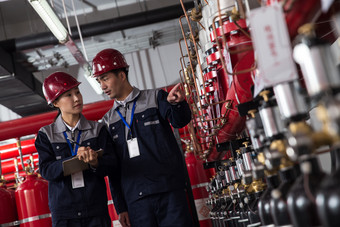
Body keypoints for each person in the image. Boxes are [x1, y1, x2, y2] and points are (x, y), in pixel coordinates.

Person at [91, 48, 194, 227]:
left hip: (169, 191)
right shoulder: (108, 120)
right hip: (136, 201)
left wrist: (178, 104)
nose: (102, 86)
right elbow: (113, 169)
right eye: (99, 81)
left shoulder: (156, 98)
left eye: (105, 78)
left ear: (122, 75)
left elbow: (180, 121)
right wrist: (120, 207)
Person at [35, 72, 119, 227]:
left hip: (95, 210)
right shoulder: (46, 135)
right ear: (55, 103)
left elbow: (111, 164)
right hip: (65, 214)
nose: (76, 98)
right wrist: (75, 160)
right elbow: (47, 170)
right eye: (68, 95)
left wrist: (95, 162)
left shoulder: (97, 129)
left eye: (77, 92)